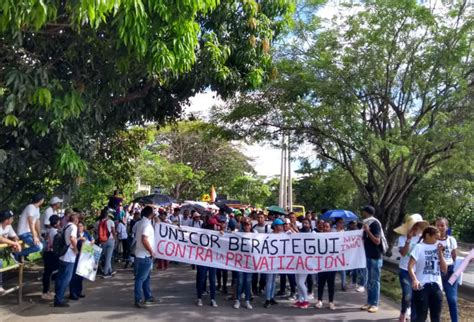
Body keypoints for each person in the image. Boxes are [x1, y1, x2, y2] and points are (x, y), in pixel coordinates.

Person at [408, 226, 447, 322]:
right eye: (435, 237)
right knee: (421, 316)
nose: (437, 240)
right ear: (427, 235)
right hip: (422, 285)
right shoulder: (418, 247)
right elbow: (410, 266)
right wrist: (414, 279)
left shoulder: (438, 247)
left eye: (438, 238)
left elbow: (444, 269)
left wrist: (440, 253)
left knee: (436, 316)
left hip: (436, 285)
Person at [394, 214, 428, 322]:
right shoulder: (401, 238)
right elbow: (403, 253)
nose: (415, 227)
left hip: (418, 272)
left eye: (417, 225)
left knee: (416, 297)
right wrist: (408, 240)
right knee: (407, 294)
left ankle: (413, 318)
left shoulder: (422, 239)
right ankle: (403, 312)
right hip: (404, 270)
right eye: (413, 225)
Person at [360, 205, 385, 313]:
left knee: (375, 281)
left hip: (375, 256)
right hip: (368, 255)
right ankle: (369, 302)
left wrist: (368, 231)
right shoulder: (367, 223)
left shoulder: (374, 224)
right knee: (369, 281)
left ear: (366, 212)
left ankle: (375, 304)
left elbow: (377, 241)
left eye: (363, 212)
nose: (362, 213)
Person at [54, 213, 79, 307]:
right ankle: (59, 299)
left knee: (60, 278)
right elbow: (72, 238)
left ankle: (57, 297)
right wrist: (76, 249)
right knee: (66, 279)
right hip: (69, 256)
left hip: (62, 254)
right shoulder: (73, 227)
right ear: (76, 220)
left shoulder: (66, 225)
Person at [436, 218, 459, 322]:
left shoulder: (451, 240)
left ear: (446, 227)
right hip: (436, 272)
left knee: (452, 300)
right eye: (438, 225)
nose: (440, 227)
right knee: (437, 300)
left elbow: (454, 256)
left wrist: (467, 261)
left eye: (442, 225)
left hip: (450, 271)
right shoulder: (432, 239)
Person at [134, 206, 156, 308]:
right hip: (144, 255)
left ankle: (148, 296)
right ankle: (138, 299)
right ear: (150, 214)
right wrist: (151, 251)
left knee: (146, 277)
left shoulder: (140, 223)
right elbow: (144, 239)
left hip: (140, 254)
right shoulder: (146, 224)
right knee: (140, 278)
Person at [196, 216, 219, 308]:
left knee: (213, 280)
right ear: (211, 226)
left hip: (212, 261)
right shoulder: (201, 234)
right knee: (201, 279)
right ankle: (199, 298)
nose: (216, 227)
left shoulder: (218, 235)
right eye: (214, 225)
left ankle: (213, 299)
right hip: (202, 260)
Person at [16, 193, 45, 262]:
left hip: (29, 232)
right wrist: (35, 237)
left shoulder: (37, 208)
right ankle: (17, 253)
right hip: (23, 233)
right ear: (41, 200)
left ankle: (24, 254)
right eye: (43, 199)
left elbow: (37, 222)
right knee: (38, 246)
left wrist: (39, 235)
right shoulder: (30, 207)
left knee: (43, 243)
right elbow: (31, 222)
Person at [69, 221, 94, 300]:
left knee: (80, 275)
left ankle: (78, 292)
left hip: (84, 256)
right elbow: (72, 241)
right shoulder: (75, 234)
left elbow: (92, 241)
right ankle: (72, 293)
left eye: (81, 226)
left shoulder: (86, 233)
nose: (80, 228)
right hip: (76, 255)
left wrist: (89, 242)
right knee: (74, 275)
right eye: (78, 226)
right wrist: (80, 238)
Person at [315, 221, 337, 310]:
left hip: (332, 265)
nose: (325, 228)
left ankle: (331, 302)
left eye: (327, 226)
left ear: (330, 228)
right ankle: (319, 300)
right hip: (321, 264)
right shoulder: (317, 237)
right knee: (321, 283)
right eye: (324, 226)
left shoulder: (334, 238)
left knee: (331, 284)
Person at [264, 218, 285, 308]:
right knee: (269, 280)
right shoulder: (269, 235)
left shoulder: (283, 235)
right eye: (280, 225)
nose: (281, 227)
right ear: (275, 227)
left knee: (273, 280)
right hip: (269, 260)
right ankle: (267, 299)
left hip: (277, 261)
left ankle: (271, 297)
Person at [233, 218, 253, 310]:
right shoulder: (238, 234)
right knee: (240, 282)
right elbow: (228, 238)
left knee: (248, 282)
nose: (247, 226)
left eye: (248, 224)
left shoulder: (256, 235)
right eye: (245, 224)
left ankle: (247, 300)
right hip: (240, 262)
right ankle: (238, 300)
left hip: (250, 263)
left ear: (251, 225)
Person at [0, 210, 22, 294]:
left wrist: (15, 244)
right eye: (11, 218)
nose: (13, 219)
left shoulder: (9, 226)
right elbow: (1, 238)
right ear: (6, 220)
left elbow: (15, 237)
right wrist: (14, 243)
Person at [294, 218, 314, 309]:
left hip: (306, 261)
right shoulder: (300, 234)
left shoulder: (313, 234)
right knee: (298, 282)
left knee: (301, 281)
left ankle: (306, 300)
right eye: (303, 223)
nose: (305, 225)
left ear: (310, 224)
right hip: (297, 261)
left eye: (306, 223)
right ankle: (300, 299)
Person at [41, 215, 60, 300]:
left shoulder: (50, 230)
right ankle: (45, 292)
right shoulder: (54, 232)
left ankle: (47, 291)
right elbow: (54, 244)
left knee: (49, 273)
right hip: (50, 253)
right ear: (56, 223)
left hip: (48, 253)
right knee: (48, 273)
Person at [96, 207, 117, 278]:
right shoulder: (111, 221)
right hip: (110, 240)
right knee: (108, 257)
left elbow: (95, 229)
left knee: (105, 256)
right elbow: (113, 232)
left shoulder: (99, 222)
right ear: (107, 214)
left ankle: (110, 270)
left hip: (102, 241)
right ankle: (106, 273)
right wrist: (115, 239)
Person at [333, 218, 347, 291]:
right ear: (337, 223)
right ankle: (332, 283)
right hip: (333, 252)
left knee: (343, 269)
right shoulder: (333, 230)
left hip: (341, 252)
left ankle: (343, 285)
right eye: (340, 222)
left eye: (343, 222)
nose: (342, 224)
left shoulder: (343, 231)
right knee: (333, 269)